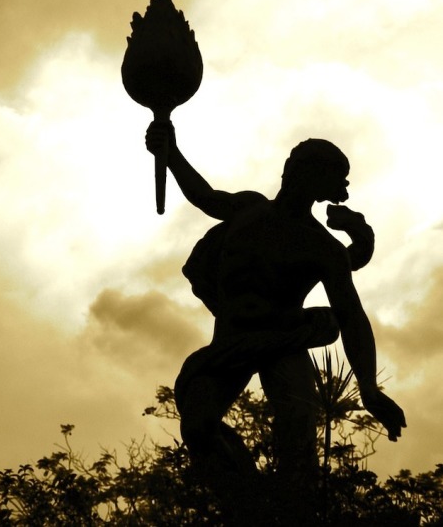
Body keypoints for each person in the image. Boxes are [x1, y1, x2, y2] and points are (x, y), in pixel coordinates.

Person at [145, 121, 406, 522]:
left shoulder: (323, 248)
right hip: (231, 343)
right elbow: (203, 196)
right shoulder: (248, 209)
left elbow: (352, 317)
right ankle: (250, 509)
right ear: (300, 171)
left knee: (297, 446)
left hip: (283, 345)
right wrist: (171, 152)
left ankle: (285, 512)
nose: (344, 191)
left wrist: (368, 388)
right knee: (198, 426)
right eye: (337, 178)